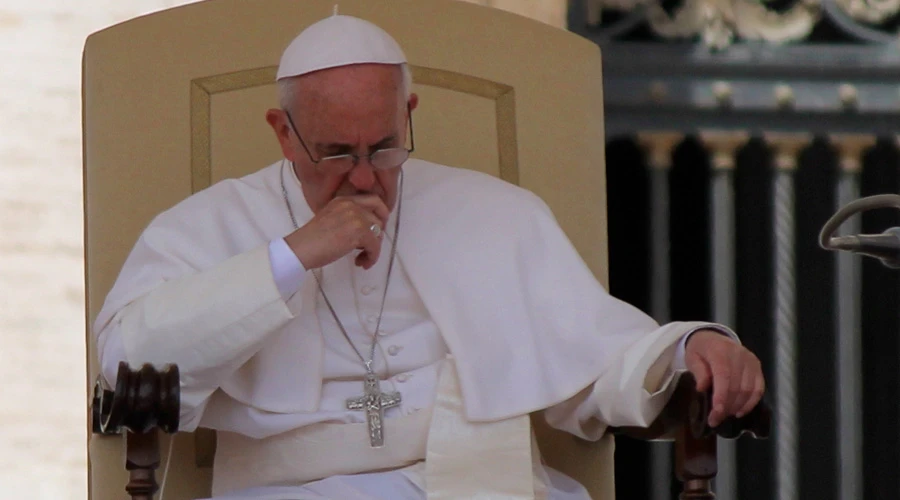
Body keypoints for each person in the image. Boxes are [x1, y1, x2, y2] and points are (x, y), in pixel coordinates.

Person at [93, 12, 765, 500]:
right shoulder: (212, 222)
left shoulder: (496, 214)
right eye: (335, 153)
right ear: (283, 134)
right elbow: (128, 358)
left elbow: (595, 356)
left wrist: (690, 348)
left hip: (483, 486)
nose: (363, 177)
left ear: (409, 112)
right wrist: (293, 255)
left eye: (384, 147)